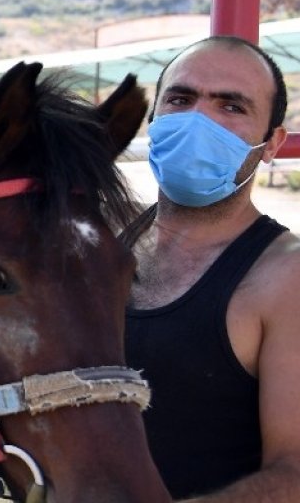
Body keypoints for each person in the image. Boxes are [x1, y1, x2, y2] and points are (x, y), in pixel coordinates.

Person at [124, 35, 300, 501]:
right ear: (154, 119)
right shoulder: (99, 245)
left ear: (271, 144)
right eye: (180, 99)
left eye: (232, 107)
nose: (198, 119)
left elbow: (295, 476)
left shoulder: (287, 280)